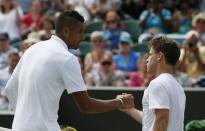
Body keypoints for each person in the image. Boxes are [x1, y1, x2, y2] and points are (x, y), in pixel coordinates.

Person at [4, 10, 134, 131]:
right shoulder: (67, 59)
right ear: (66, 31)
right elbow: (86, 106)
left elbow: (10, 88)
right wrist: (120, 102)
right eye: (80, 31)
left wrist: (24, 120)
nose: (83, 37)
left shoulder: (32, 49)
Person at [118, 36, 186, 131]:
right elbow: (153, 121)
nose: (147, 59)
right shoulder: (177, 86)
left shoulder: (158, 83)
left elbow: (162, 120)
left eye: (150, 54)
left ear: (159, 56)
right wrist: (130, 110)